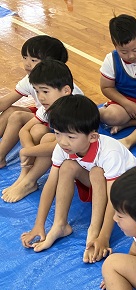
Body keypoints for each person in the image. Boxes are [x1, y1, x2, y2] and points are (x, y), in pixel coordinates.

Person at [20, 95, 136, 263]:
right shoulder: (62, 147)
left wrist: (103, 237)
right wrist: (39, 224)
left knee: (96, 172)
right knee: (67, 166)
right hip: (99, 184)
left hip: (125, 193)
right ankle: (60, 225)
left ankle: (94, 230)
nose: (62, 142)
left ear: (92, 137)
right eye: (57, 133)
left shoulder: (110, 153)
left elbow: (114, 197)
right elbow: (51, 185)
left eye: (71, 137)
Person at [0, 35, 82, 168]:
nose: (27, 64)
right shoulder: (31, 78)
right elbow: (4, 103)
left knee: (35, 129)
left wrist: (29, 150)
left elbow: (74, 129)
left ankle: (14, 160)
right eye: (24, 58)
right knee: (12, 112)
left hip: (61, 123)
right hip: (44, 114)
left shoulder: (72, 93)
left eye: (33, 60)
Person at [2, 60, 76, 203]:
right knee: (37, 132)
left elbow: (59, 145)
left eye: (45, 91)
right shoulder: (49, 107)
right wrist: (29, 149)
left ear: (66, 91)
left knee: (49, 140)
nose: (40, 97)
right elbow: (24, 130)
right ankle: (25, 176)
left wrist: (28, 151)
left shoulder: (73, 111)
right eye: (37, 91)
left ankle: (29, 181)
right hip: (66, 155)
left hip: (80, 163)